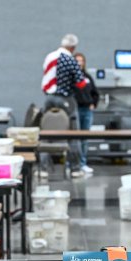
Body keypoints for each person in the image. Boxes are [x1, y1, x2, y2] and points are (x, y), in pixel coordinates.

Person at [42, 34, 87, 178]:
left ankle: (43, 169)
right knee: (73, 133)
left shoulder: (49, 56)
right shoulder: (69, 59)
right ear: (73, 47)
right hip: (65, 99)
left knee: (45, 134)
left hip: (49, 99)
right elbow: (81, 83)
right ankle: (75, 169)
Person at [74, 52, 99, 174]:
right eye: (77, 61)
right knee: (74, 138)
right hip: (75, 110)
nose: (79, 63)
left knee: (85, 138)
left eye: (81, 61)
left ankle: (83, 163)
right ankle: (73, 163)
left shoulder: (88, 78)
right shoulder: (71, 78)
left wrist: (93, 103)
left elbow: (95, 93)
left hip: (87, 110)